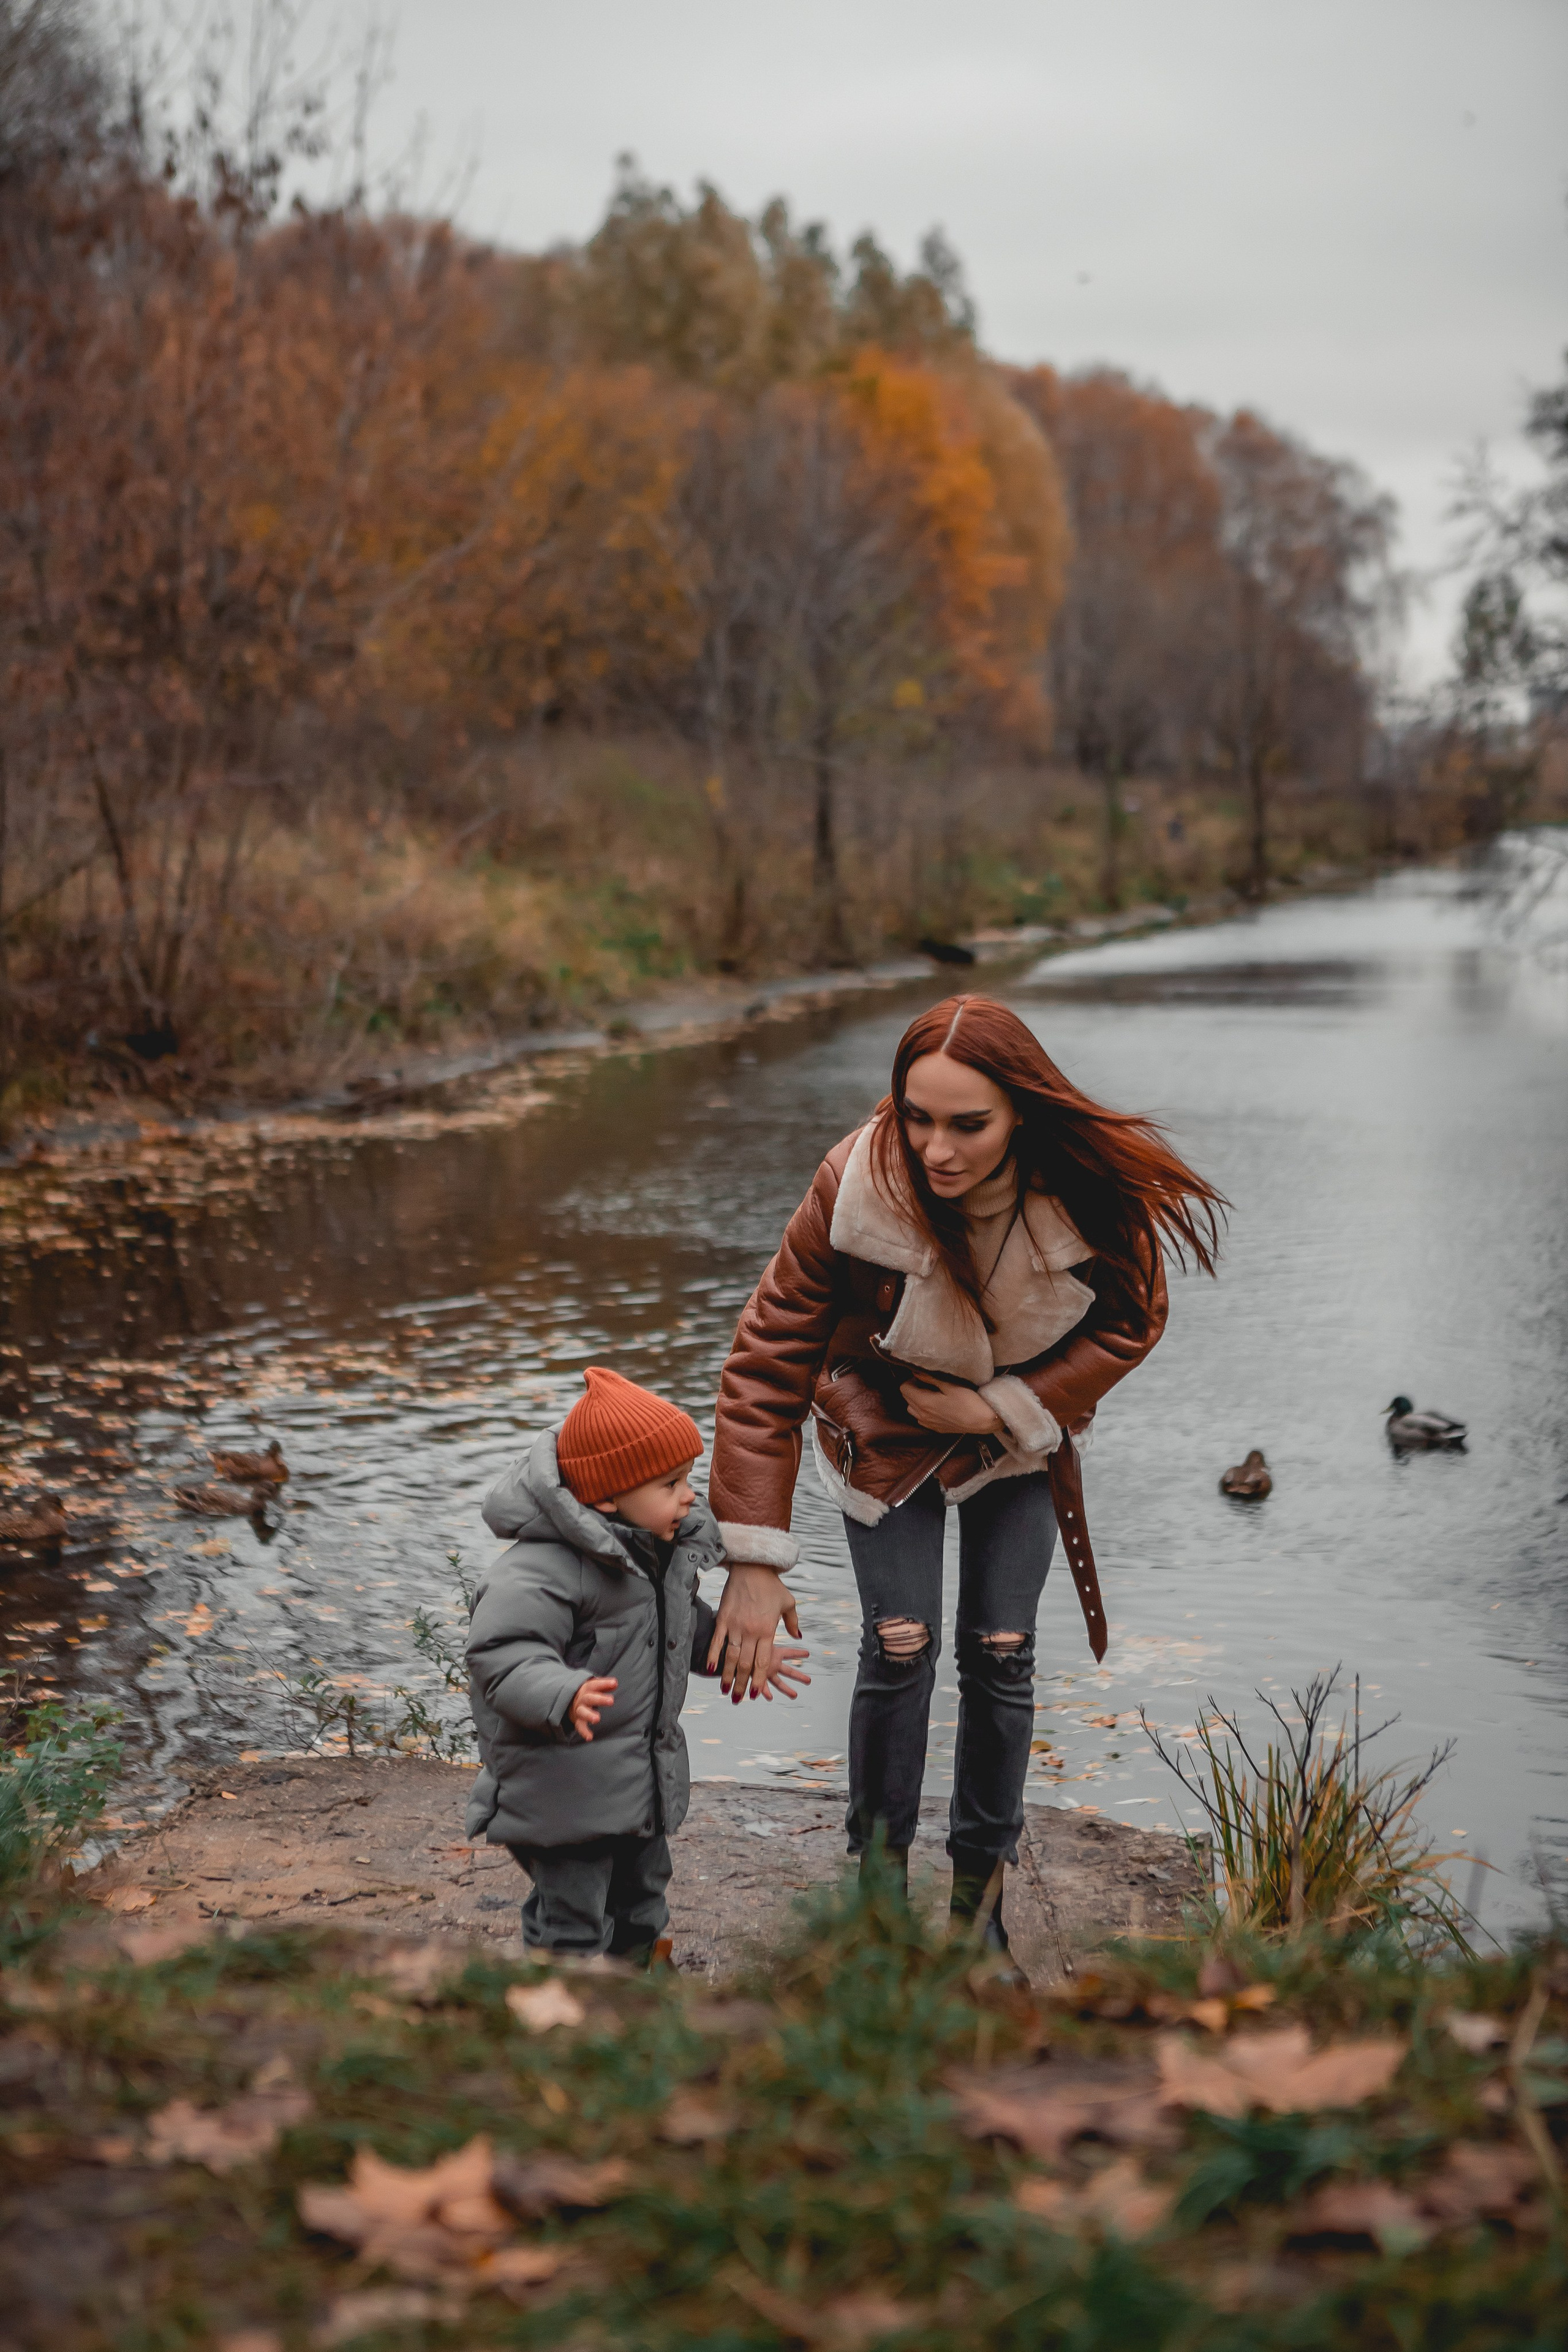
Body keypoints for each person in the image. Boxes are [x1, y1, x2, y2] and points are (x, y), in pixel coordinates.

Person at [707, 995, 1223, 1966]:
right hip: (885, 1431)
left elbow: (1133, 1320)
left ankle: (979, 1911)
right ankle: (878, 1904)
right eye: (917, 1117)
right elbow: (766, 1362)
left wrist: (1001, 1408)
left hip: (1013, 1436)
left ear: (1020, 1110)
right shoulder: (852, 1186)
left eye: (967, 1124)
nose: (935, 1149)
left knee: (1002, 1648)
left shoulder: (1088, 1192)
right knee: (900, 1643)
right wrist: (753, 1558)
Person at [465, 1363, 810, 1962]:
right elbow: (502, 1655)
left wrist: (736, 1651)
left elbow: (679, 1629)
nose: (690, 1495)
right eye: (670, 1484)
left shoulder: (652, 1556)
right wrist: (561, 1693)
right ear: (607, 1496)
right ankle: (560, 2003)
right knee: (573, 1918)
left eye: (689, 1478)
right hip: (560, 1795)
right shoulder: (540, 1569)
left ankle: (643, 1990)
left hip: (634, 1786)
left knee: (643, 1900)